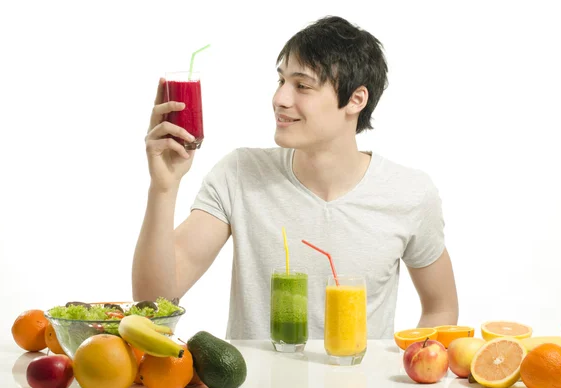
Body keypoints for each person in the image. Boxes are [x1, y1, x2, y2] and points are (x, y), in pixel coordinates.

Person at [132, 15, 458, 340]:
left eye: (302, 85)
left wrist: (408, 368)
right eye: (281, 81)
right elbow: (154, 300)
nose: (280, 99)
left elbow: (440, 307)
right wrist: (164, 187)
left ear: (356, 99)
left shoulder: (409, 194)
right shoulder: (240, 174)